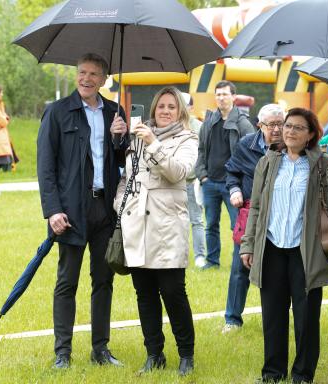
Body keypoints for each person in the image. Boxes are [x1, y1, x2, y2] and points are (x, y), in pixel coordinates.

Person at [37, 53, 128, 369]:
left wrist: (121, 138)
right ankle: (62, 352)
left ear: (105, 79)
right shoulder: (58, 112)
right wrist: (52, 210)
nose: (86, 79)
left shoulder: (115, 113)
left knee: (103, 281)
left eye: (93, 74)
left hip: (104, 209)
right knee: (67, 282)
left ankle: (100, 349)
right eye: (82, 72)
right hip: (71, 211)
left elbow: (121, 162)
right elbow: (46, 167)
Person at [240, 108, 328, 383]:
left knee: (306, 318)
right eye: (287, 126)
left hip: (305, 250)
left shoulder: (322, 163)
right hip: (272, 247)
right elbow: (256, 207)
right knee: (273, 315)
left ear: (311, 134)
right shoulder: (268, 162)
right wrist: (247, 245)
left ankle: (303, 374)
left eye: (298, 127)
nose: (290, 131)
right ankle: (273, 372)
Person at [117, 86, 198, 376]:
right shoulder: (136, 138)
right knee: (145, 294)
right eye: (161, 106)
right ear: (153, 110)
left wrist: (153, 142)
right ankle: (154, 354)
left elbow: (179, 172)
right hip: (137, 225)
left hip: (167, 229)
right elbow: (127, 176)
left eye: (171, 107)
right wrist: (119, 206)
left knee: (173, 292)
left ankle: (186, 355)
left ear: (180, 112)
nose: (165, 111)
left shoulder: (188, 139)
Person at [221, 103, 284, 334]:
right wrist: (234, 189)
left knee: (277, 269)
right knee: (240, 267)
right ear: (260, 125)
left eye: (281, 123)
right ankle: (232, 319)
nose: (277, 129)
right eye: (272, 124)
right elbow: (232, 171)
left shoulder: (290, 147)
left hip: (281, 215)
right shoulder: (246, 145)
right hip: (250, 214)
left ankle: (276, 319)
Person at [195, 80, 255, 270]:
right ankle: (212, 262)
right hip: (210, 182)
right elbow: (201, 150)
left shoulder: (243, 123)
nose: (221, 98)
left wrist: (239, 182)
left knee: (237, 225)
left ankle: (240, 261)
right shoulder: (209, 121)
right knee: (210, 224)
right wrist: (202, 175)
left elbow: (250, 154)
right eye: (218, 94)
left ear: (234, 97)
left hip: (233, 185)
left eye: (225, 94)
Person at [182, 92, 207, 268]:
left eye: (184, 105)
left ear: (191, 107)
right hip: (171, 183)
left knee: (196, 220)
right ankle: (178, 254)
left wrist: (201, 176)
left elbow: (204, 154)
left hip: (192, 181)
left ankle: (199, 255)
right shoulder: (167, 126)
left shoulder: (199, 127)